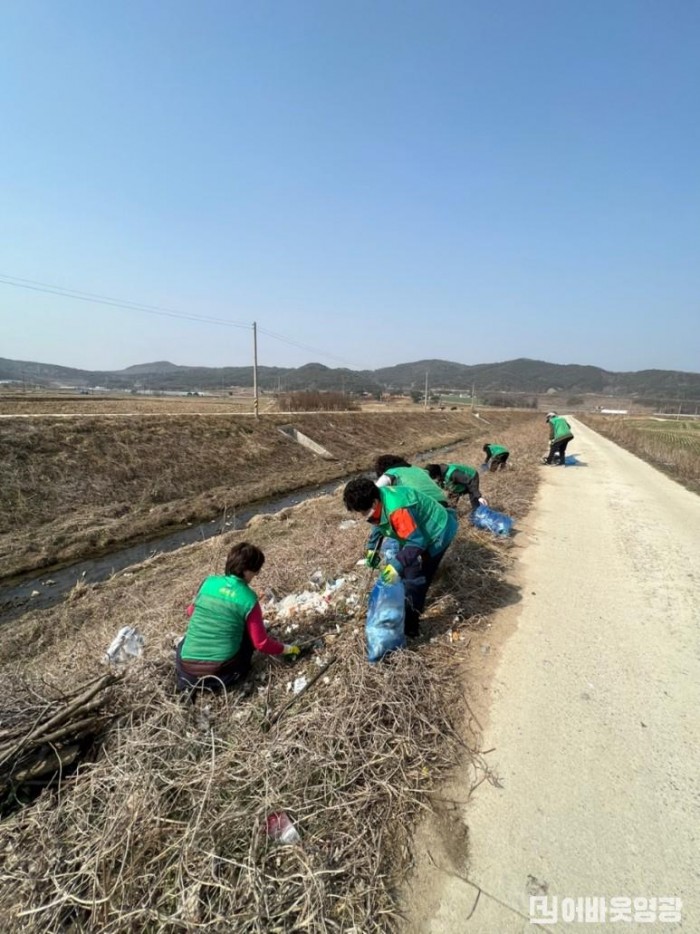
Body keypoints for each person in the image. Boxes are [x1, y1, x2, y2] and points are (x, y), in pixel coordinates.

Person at [343, 477, 458, 638]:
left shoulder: (397, 509)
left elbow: (417, 542)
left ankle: (410, 628)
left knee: (415, 579)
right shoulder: (379, 496)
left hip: (437, 532)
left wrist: (395, 566)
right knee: (403, 571)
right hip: (415, 533)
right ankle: (402, 608)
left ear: (374, 502)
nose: (362, 516)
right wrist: (372, 548)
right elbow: (379, 521)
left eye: (362, 512)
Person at [176, 542, 300, 692]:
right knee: (247, 636)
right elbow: (261, 644)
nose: (256, 575)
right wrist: (288, 649)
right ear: (246, 570)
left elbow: (191, 612)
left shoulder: (208, 582)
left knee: (185, 641)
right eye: (256, 570)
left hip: (186, 672)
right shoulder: (248, 599)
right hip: (221, 676)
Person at [374, 454, 448, 506]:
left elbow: (372, 492)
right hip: (443, 505)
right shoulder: (417, 469)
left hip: (424, 507)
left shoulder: (390, 473)